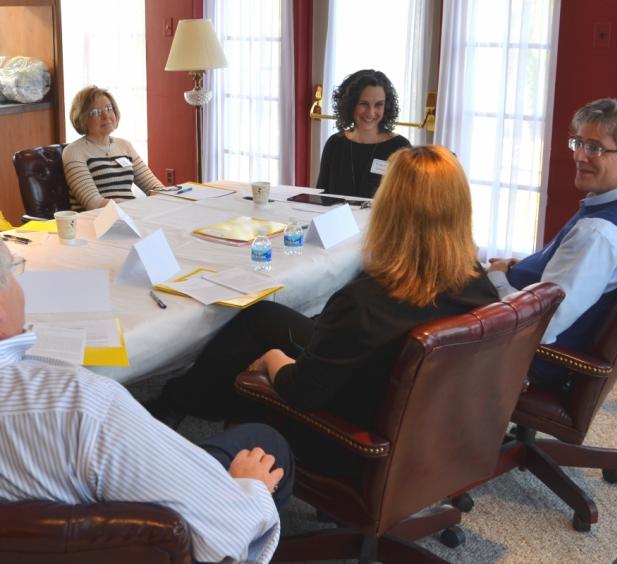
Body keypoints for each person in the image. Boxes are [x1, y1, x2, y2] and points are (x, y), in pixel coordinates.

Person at [147, 145, 499, 471]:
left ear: (388, 211)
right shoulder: (478, 286)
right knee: (262, 317)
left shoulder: (363, 303)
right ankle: (183, 397)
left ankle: (179, 402)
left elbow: (302, 391)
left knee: (261, 341)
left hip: (354, 439)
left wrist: (272, 359)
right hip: (433, 423)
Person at [0, 240, 294, 564]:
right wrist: (250, 491)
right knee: (264, 441)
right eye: (16, 272)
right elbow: (224, 538)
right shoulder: (81, 404)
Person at [487, 98, 617, 391]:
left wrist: (495, 277)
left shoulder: (599, 233)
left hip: (526, 358)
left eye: (595, 148)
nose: (579, 156)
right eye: (578, 143)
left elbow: (539, 327)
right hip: (522, 320)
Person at [63, 85, 164, 210]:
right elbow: (93, 203)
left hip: (131, 215)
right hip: (98, 221)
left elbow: (154, 187)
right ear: (82, 118)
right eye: (96, 112)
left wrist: (173, 196)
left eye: (108, 108)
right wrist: (137, 208)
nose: (106, 116)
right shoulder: (74, 151)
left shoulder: (125, 145)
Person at [316, 69, 411, 198]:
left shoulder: (400, 148)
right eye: (363, 104)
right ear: (350, 104)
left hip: (379, 219)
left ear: (386, 106)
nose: (371, 113)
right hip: (338, 218)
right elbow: (321, 195)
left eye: (379, 104)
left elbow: (407, 202)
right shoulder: (334, 143)